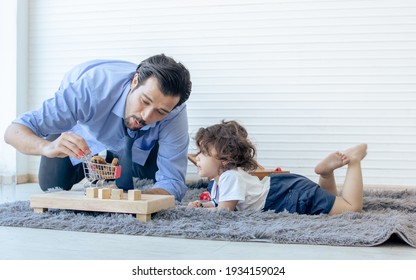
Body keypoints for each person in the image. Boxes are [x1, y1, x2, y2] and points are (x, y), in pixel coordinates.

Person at [4, 54, 192, 201]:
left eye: (160, 112)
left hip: (137, 147)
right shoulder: (90, 89)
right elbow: (13, 131)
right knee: (52, 183)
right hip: (87, 132)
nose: (146, 116)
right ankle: (96, 157)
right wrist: (46, 147)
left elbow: (172, 182)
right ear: (134, 82)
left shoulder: (174, 111)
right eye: (144, 101)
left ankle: (115, 161)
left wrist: (135, 199)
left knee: (156, 182)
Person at [188, 120, 368, 215]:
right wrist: (203, 205)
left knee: (351, 208)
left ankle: (354, 160)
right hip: (283, 189)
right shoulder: (220, 180)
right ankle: (326, 174)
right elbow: (221, 203)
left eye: (203, 153)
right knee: (329, 201)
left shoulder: (229, 177)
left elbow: (224, 211)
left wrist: (201, 210)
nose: (197, 158)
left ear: (224, 160)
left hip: (289, 196)